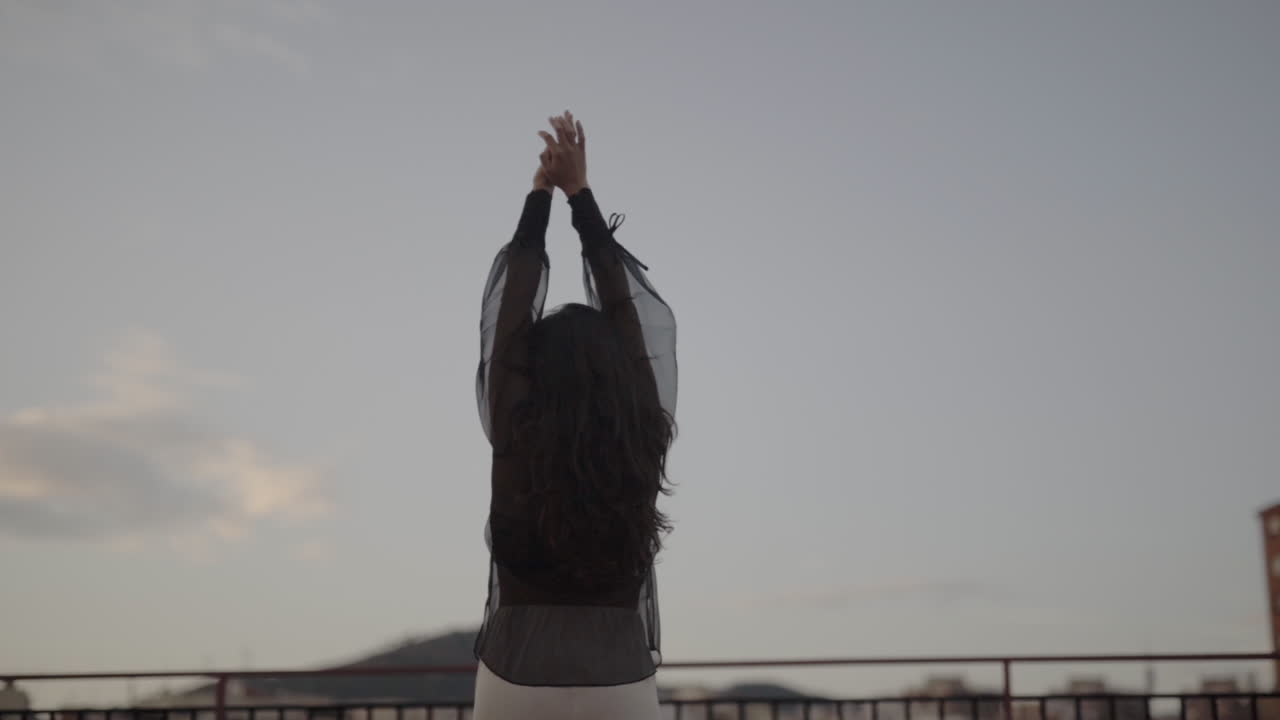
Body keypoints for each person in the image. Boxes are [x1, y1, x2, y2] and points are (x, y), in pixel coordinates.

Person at [471, 110, 677, 720]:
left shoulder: (514, 423)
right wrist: (580, 198)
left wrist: (539, 199)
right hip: (621, 683)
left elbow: (508, 323)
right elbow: (626, 314)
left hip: (516, 677)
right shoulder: (640, 428)